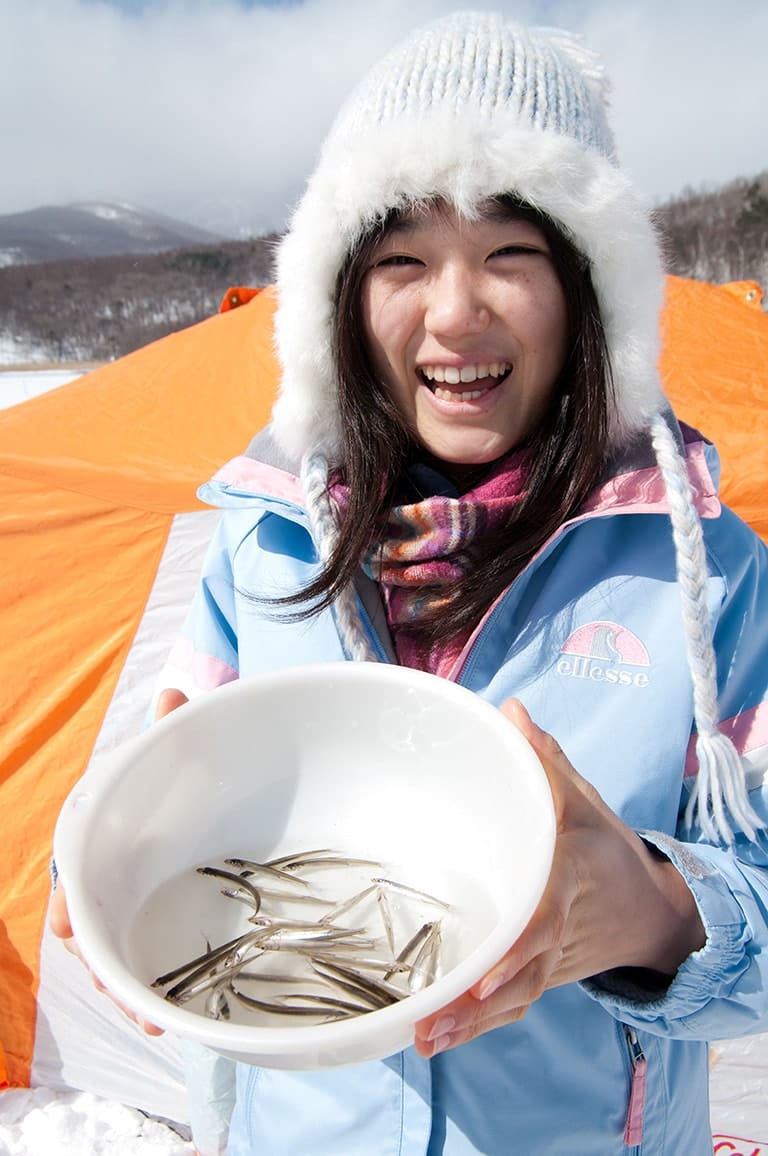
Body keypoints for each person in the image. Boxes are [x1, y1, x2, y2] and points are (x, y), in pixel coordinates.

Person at [51, 10, 768, 1155]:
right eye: (401, 260)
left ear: (590, 293)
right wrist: (113, 845)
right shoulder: (265, 549)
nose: (453, 312)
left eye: (510, 255)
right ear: (340, 297)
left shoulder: (707, 577)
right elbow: (174, 784)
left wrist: (651, 905)